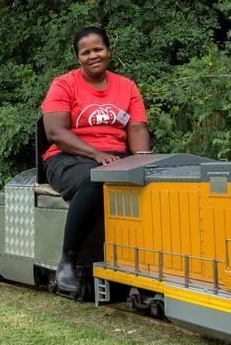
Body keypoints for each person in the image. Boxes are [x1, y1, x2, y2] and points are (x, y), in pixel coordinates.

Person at [41, 27, 150, 293]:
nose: (93, 56)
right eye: (85, 52)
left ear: (108, 51)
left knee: (154, 181)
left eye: (98, 49)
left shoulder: (127, 86)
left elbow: (136, 128)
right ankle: (67, 260)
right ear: (78, 57)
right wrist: (95, 154)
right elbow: (55, 132)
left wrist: (144, 161)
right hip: (68, 157)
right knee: (96, 179)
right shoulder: (64, 84)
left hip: (115, 157)